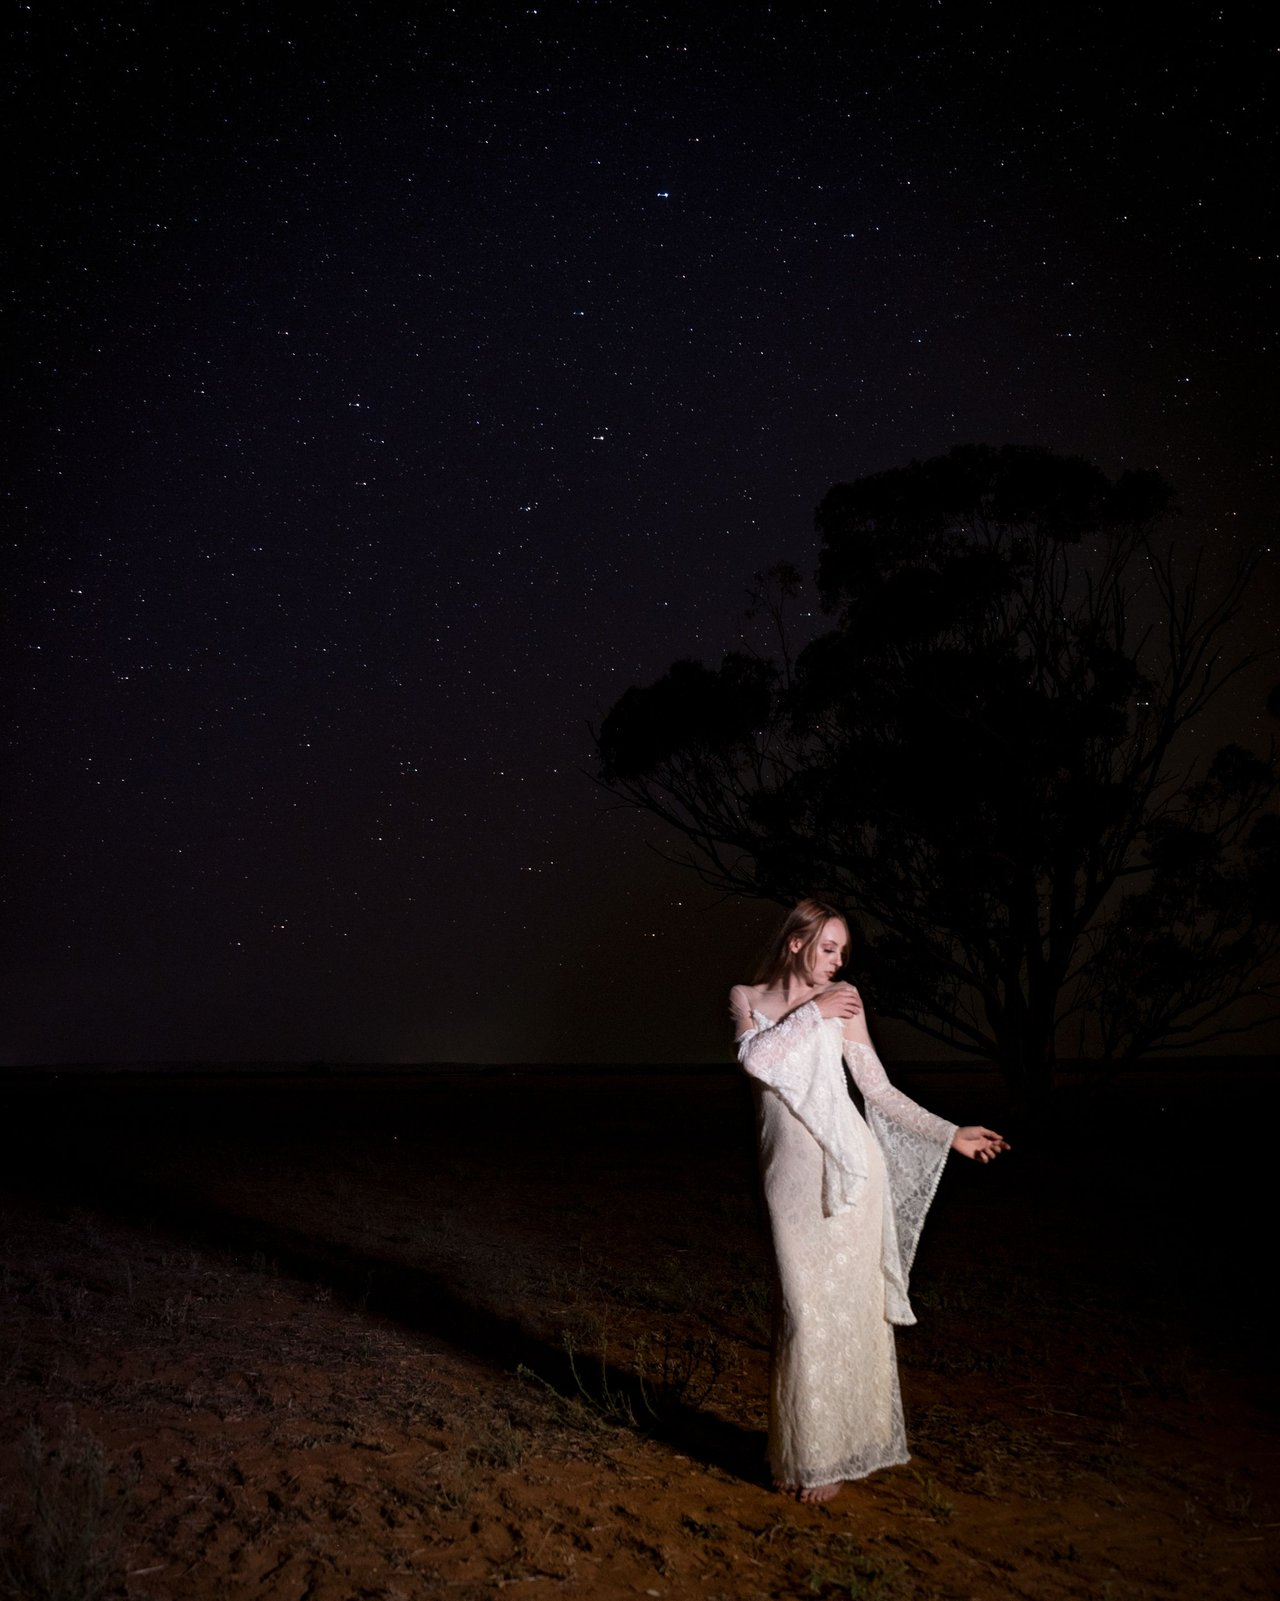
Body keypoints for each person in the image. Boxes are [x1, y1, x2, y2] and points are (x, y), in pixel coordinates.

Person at [729, 898, 1008, 1504]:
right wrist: (813, 1013)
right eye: (827, 947)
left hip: (852, 1170)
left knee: (843, 1313)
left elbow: (877, 1089)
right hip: (790, 1178)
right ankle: (800, 1448)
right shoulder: (747, 998)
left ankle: (825, 1457)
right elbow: (757, 1061)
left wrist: (948, 1133)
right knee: (801, 1311)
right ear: (796, 942)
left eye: (842, 953)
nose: (836, 962)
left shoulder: (844, 1001)